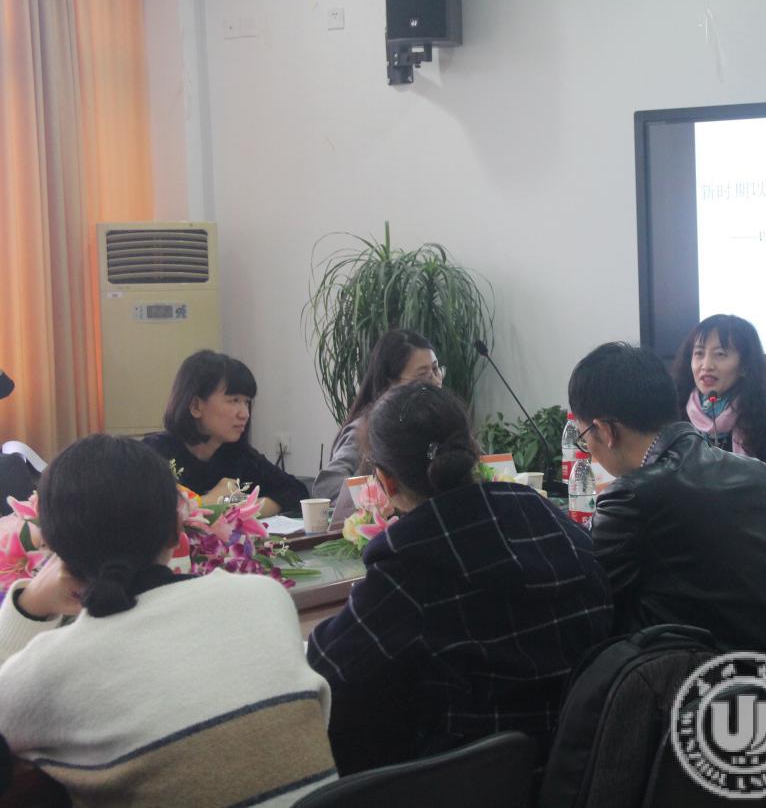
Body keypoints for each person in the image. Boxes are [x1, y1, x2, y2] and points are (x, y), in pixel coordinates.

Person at [0, 435, 336, 806]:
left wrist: (30, 603)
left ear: (48, 543)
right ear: (179, 527)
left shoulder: (50, 669)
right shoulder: (266, 598)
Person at [306, 382, 611, 775]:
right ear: (473, 452)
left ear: (385, 481)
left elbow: (328, 669)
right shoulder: (553, 524)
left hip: (467, 783)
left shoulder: (409, 568)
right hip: (579, 768)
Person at [568, 342, 766, 658]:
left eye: (584, 437)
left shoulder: (632, 496)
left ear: (605, 431)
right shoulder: (757, 473)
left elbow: (591, 602)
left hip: (715, 678)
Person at [144, 350, 308, 516]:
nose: (245, 414)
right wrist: (210, 502)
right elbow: (149, 516)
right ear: (196, 406)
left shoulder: (237, 453)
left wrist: (241, 509)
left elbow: (297, 492)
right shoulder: (153, 454)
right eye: (234, 400)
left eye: (247, 402)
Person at [671, 314, 766, 495]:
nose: (706, 365)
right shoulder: (676, 408)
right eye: (699, 354)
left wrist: (743, 483)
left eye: (720, 354)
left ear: (745, 366)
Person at [311, 329, 444, 499]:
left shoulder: (439, 421)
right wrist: (381, 496)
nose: (436, 381)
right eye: (422, 375)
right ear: (391, 383)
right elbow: (327, 486)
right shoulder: (366, 429)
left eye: (436, 369)